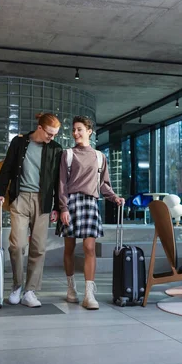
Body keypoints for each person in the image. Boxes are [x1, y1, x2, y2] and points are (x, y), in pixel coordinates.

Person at [0, 113, 63, 308]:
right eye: (50, 134)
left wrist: (57, 206)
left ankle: (30, 291)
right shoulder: (19, 142)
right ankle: (16, 286)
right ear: (40, 128)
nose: (52, 138)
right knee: (16, 245)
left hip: (43, 201)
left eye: (55, 134)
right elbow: (7, 167)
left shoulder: (56, 149)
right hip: (20, 199)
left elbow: (58, 180)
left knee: (38, 248)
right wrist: (0, 192)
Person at [57, 116, 124, 310]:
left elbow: (104, 184)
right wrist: (63, 208)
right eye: (74, 130)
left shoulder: (99, 156)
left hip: (90, 203)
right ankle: (71, 290)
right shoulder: (67, 154)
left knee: (89, 249)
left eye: (79, 129)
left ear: (89, 131)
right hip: (70, 203)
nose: (75, 133)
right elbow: (61, 183)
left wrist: (114, 198)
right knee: (69, 249)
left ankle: (89, 295)